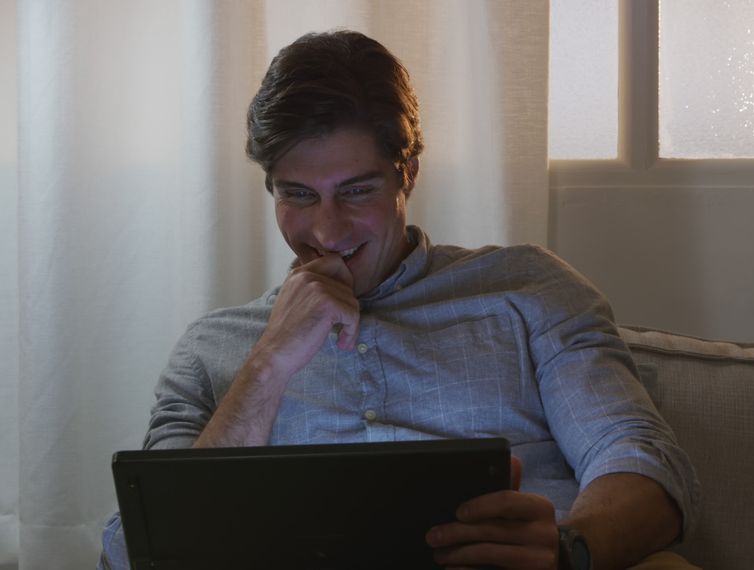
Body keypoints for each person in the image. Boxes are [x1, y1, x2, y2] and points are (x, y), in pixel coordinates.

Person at [99, 30, 699, 570]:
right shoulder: (212, 348)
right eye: (299, 195)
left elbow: (642, 463)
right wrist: (269, 362)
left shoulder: (528, 290)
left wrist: (570, 549)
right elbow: (137, 549)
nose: (328, 232)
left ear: (407, 171)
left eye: (357, 191)